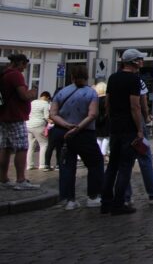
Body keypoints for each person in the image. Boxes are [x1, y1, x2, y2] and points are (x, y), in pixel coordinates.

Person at [49, 65, 103, 209]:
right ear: (86, 76)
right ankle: (93, 196)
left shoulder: (61, 92)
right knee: (95, 163)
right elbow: (92, 114)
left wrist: (66, 125)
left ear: (71, 76)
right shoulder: (91, 93)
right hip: (84, 133)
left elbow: (53, 114)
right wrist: (77, 127)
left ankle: (68, 200)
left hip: (62, 132)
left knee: (66, 166)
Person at [100, 49, 146, 214]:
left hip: (115, 126)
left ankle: (105, 202)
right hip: (128, 127)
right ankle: (118, 204)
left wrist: (111, 118)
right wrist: (139, 129)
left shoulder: (113, 77)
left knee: (112, 165)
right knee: (125, 166)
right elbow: (135, 106)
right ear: (133, 62)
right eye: (140, 59)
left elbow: (107, 101)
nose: (142, 62)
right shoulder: (133, 79)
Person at [124, 78, 153, 206]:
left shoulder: (113, 79)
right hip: (137, 124)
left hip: (121, 125)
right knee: (145, 159)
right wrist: (145, 118)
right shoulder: (138, 81)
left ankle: (125, 196)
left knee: (124, 162)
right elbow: (141, 104)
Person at [0, 53, 40, 190]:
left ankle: (3, 179)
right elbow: (23, 95)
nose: (24, 69)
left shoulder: (4, 73)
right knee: (22, 147)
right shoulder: (15, 75)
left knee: (6, 148)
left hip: (4, 116)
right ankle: (20, 179)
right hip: (15, 116)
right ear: (20, 63)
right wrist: (32, 93)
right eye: (24, 65)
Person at [26, 91, 50, 170]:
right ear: (47, 97)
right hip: (38, 125)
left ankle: (30, 165)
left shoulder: (33, 102)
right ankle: (42, 164)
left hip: (28, 125)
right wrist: (51, 121)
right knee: (44, 144)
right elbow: (46, 117)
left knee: (31, 145)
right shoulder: (46, 104)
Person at [94, 81, 109, 157]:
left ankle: (98, 153)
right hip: (106, 120)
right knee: (106, 137)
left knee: (99, 138)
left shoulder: (95, 100)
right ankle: (103, 153)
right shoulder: (107, 99)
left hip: (97, 120)